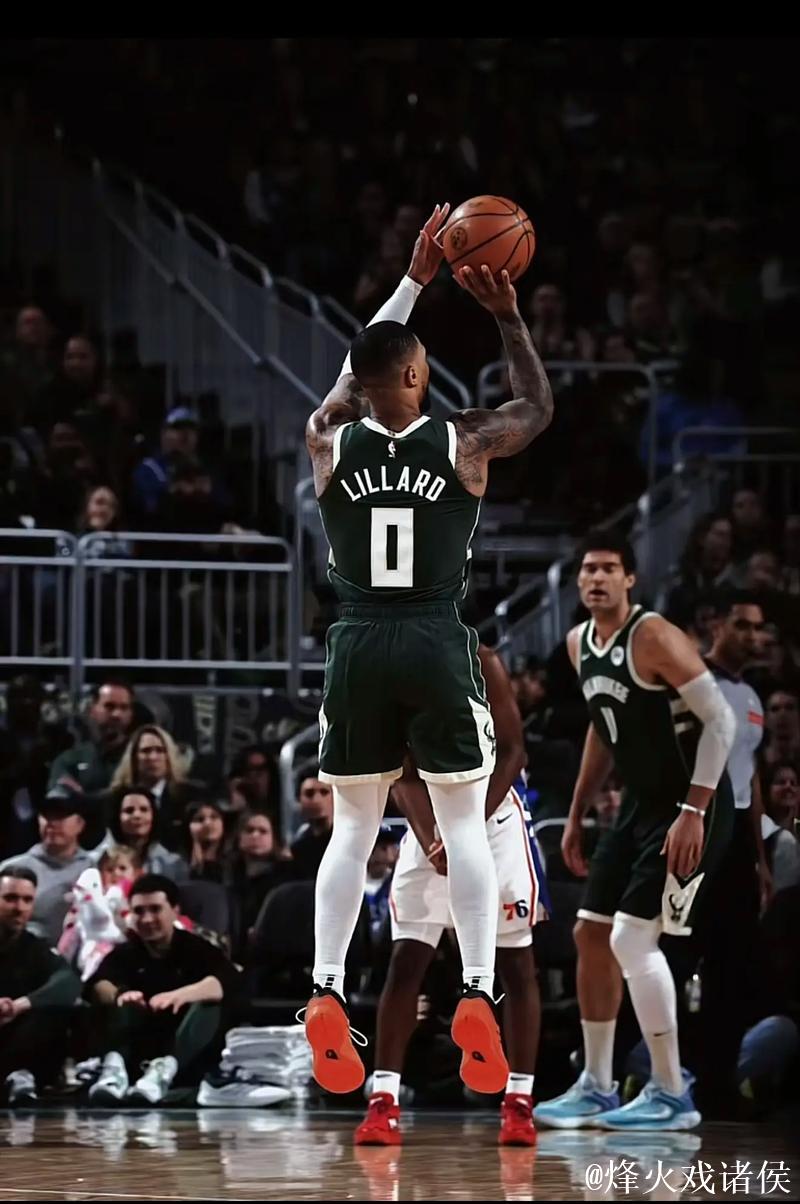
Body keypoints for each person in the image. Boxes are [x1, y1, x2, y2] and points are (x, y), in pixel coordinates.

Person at [302, 202, 553, 1095]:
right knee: (465, 822)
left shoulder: (327, 439)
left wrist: (412, 281)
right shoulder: (465, 439)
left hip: (358, 638)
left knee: (351, 829)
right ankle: (478, 987)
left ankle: (325, 986)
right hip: (437, 638)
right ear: (417, 374)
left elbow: (355, 368)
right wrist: (507, 316)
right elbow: (537, 406)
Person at [534, 529, 736, 1131]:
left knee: (631, 939)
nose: (596, 578)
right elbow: (604, 728)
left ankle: (672, 1091)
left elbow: (721, 721)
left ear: (629, 579)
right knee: (591, 935)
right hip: (638, 805)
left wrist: (694, 810)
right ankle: (596, 1085)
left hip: (691, 800)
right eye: (588, 569)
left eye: (608, 569)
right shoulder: (579, 644)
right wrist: (577, 812)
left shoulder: (653, 636)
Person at [355, 645, 547, 1147]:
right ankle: (383, 1100)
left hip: (493, 820)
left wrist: (468, 833)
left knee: (516, 966)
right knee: (405, 962)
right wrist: (431, 838)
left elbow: (514, 753)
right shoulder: (392, 667)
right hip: (431, 824)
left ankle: (519, 1102)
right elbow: (400, 771)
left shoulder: (482, 661)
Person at [87, 873, 241, 1105]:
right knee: (114, 1007)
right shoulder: (125, 952)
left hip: (185, 1045)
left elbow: (226, 980)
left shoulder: (197, 948)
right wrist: (120, 995)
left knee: (209, 1005)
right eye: (139, 911)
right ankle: (114, 1070)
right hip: (140, 1040)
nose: (147, 919)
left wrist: (179, 996)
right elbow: (98, 983)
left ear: (175, 911)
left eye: (155, 909)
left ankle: (164, 1070)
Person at [0, 865, 81, 1105]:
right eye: (10, 898)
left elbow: (68, 981)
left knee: (55, 1009)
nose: (19, 908)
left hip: (17, 1041)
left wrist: (19, 1005)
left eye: (27, 900)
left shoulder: (35, 947)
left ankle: (20, 1075)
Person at [0, 789, 95, 944]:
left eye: (60, 816)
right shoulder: (10, 871)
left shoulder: (94, 868)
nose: (51, 822)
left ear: (80, 824)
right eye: (46, 815)